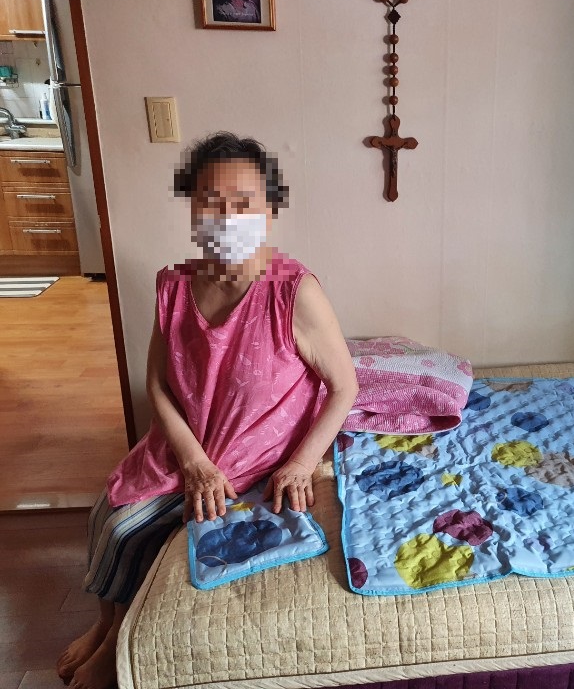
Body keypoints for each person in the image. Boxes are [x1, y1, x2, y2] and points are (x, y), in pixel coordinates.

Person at [57, 132, 359, 689]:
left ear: (270, 209)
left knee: (134, 530)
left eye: (243, 202)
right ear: (192, 209)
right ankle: (104, 625)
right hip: (188, 445)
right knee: (106, 515)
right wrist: (193, 460)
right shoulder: (174, 286)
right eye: (211, 202)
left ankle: (118, 642)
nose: (227, 216)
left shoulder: (294, 293)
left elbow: (345, 386)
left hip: (253, 453)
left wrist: (300, 464)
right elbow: (157, 383)